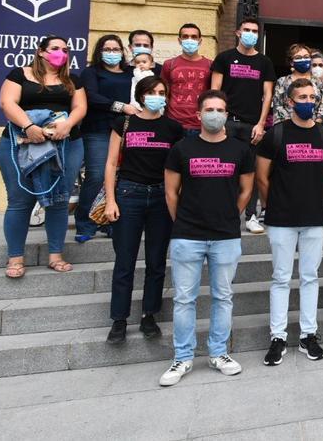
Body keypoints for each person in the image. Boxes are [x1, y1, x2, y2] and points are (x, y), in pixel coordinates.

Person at [159, 90, 255, 387]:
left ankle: (218, 353)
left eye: (221, 109)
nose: (215, 114)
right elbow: (171, 193)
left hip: (225, 236)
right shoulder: (181, 149)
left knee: (222, 296)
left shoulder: (241, 150)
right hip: (187, 235)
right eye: (210, 109)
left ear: (227, 115)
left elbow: (246, 191)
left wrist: (229, 216)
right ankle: (183, 357)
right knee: (184, 298)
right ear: (198, 115)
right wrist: (185, 221)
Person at [256, 78, 323, 365]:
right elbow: (262, 177)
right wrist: (272, 205)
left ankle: (308, 335)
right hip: (281, 218)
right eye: (301, 97)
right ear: (289, 102)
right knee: (280, 277)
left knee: (310, 277)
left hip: (314, 217)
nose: (307, 102)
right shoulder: (275, 134)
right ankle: (278, 337)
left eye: (312, 97)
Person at [101, 75, 183, 343]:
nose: (157, 95)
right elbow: (112, 164)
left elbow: (178, 169)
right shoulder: (124, 122)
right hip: (129, 194)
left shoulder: (173, 127)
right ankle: (119, 320)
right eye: (152, 91)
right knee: (124, 261)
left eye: (162, 91)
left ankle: (149, 314)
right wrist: (111, 200)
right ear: (141, 95)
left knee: (156, 261)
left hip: (161, 197)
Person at [0, 36, 87, 278]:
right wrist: (29, 127)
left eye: (65, 50)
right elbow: (7, 102)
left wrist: (67, 125)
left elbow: (80, 107)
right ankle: (15, 258)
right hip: (22, 144)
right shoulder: (19, 74)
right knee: (20, 200)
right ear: (41, 52)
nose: (61, 53)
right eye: (55, 49)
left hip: (66, 145)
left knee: (59, 199)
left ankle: (55, 256)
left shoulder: (71, 80)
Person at [210, 18, 276, 232]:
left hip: (252, 126)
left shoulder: (264, 62)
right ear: (238, 32)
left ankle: (251, 216)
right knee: (223, 169)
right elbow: (215, 91)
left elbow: (268, 96)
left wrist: (261, 124)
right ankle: (221, 212)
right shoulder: (224, 58)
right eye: (246, 30)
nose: (250, 34)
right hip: (227, 123)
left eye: (254, 31)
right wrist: (218, 121)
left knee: (252, 171)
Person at [76, 34, 134, 242]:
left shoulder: (131, 72)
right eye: (107, 49)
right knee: (97, 175)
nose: (112, 53)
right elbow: (91, 97)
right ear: (99, 52)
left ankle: (110, 220)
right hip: (98, 130)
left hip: (127, 130)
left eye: (115, 49)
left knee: (122, 177)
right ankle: (85, 222)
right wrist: (121, 106)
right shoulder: (91, 72)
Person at [162, 23, 212, 136]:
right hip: (173, 123)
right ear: (179, 40)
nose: (190, 40)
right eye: (185, 36)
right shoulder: (169, 64)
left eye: (194, 37)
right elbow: (164, 92)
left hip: (200, 125)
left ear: (200, 40)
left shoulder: (210, 65)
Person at [271, 43, 315, 124]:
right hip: (287, 129)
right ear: (291, 62)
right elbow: (278, 106)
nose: (303, 60)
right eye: (298, 58)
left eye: (306, 57)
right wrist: (292, 125)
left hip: (313, 128)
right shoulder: (282, 81)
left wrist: (314, 124)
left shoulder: (317, 82)